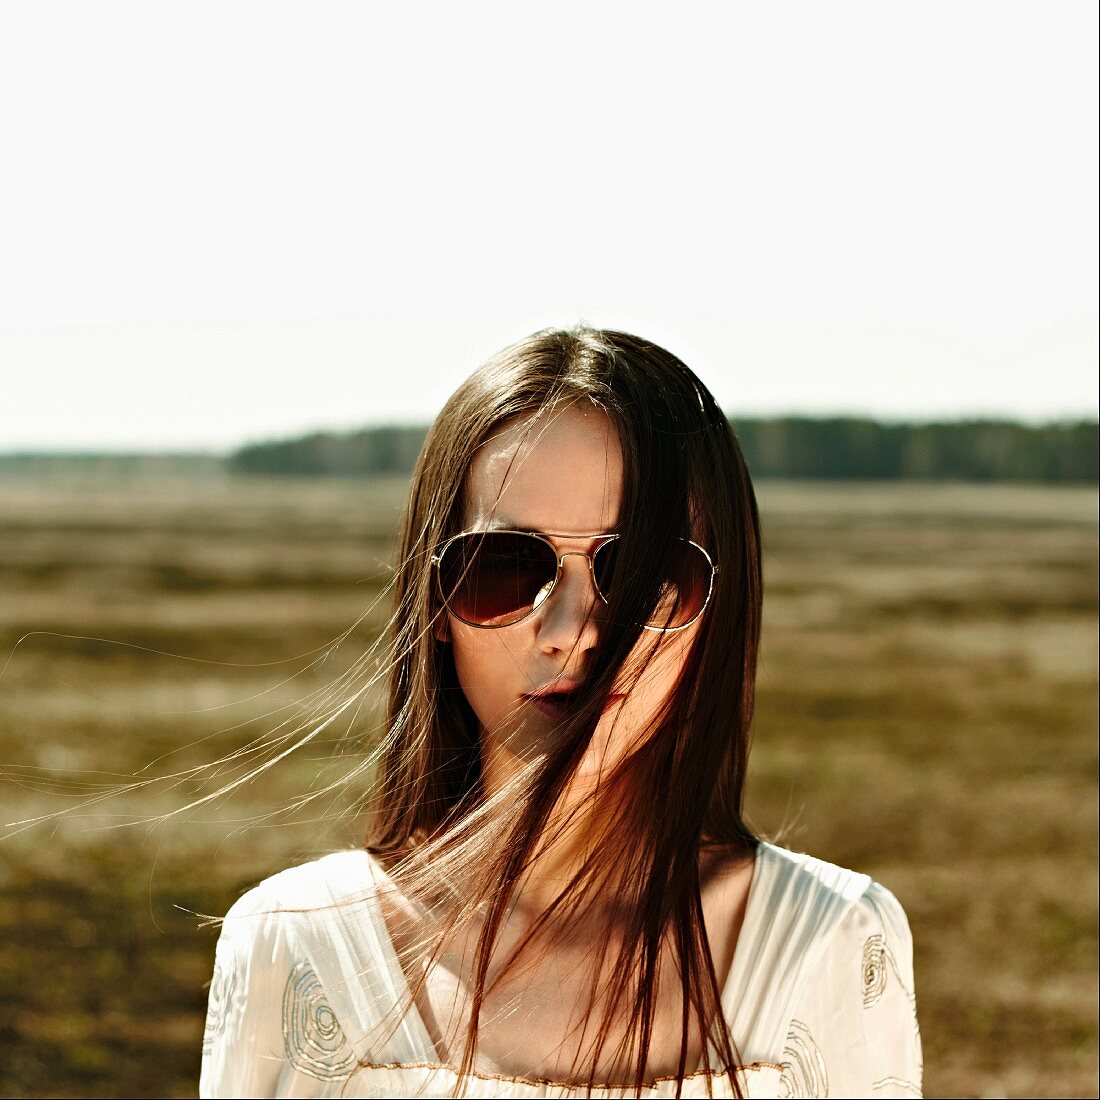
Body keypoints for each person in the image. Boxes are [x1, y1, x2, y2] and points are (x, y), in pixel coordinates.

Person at [199, 327, 923, 1099]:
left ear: (720, 603)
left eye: (642, 571)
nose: (572, 630)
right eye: (504, 568)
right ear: (433, 604)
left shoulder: (832, 941)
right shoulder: (296, 942)